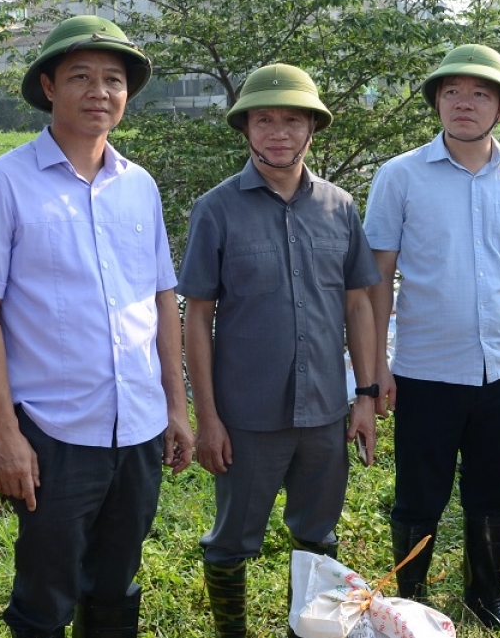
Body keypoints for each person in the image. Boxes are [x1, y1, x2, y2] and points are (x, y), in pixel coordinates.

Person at [0, 15, 194, 638]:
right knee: (45, 596)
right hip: (55, 430)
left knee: (118, 583)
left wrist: (177, 406)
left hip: (137, 426)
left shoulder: (138, 185)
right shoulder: (3, 183)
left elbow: (161, 300)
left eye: (113, 80)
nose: (99, 91)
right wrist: (3, 432)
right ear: (48, 87)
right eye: (80, 77)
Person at [365, 45, 500, 637]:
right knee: (418, 496)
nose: (464, 104)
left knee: (492, 493)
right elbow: (378, 279)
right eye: (452, 92)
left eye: (479, 93)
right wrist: (378, 366)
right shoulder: (399, 176)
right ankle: (414, 602)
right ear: (437, 103)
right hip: (425, 367)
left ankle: (486, 597)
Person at [177, 63, 379, 638]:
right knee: (232, 539)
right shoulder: (216, 209)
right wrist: (207, 417)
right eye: (264, 120)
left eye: (292, 120)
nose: (278, 132)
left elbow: (358, 305)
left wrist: (363, 396)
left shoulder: (339, 207)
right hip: (247, 415)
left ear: (312, 128)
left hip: (324, 409)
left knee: (319, 533)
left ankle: (306, 629)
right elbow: (198, 317)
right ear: (246, 128)